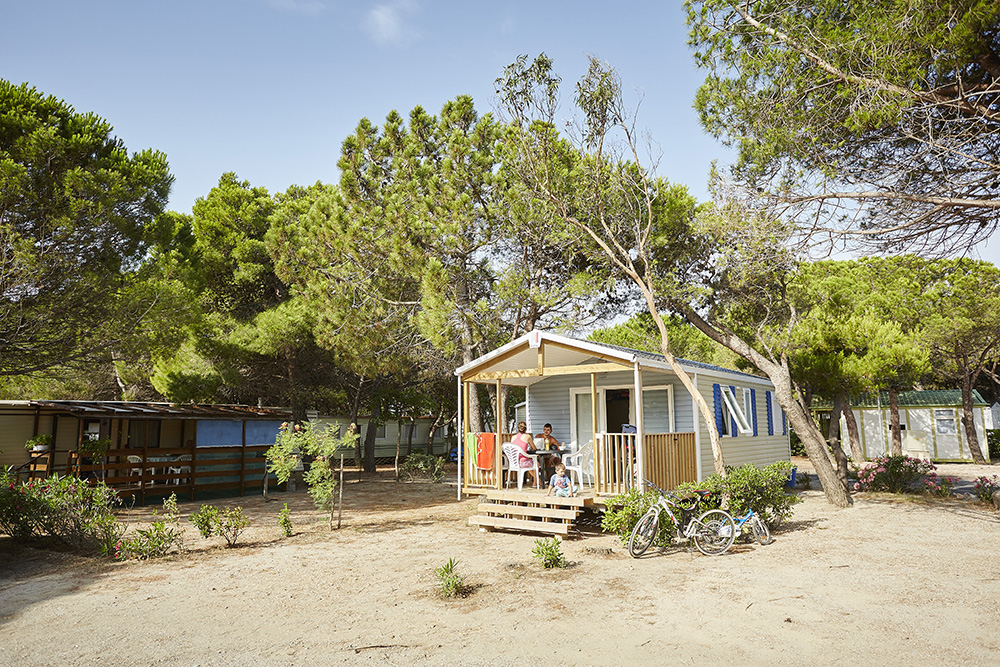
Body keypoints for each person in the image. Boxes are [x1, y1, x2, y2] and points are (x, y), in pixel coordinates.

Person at [510, 421, 537, 487]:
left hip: (513, 462)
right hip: (522, 462)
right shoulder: (527, 437)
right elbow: (534, 448)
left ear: (517, 429)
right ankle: (535, 483)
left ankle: (538, 481)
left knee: (530, 465)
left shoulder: (513, 437)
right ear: (526, 429)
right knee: (536, 463)